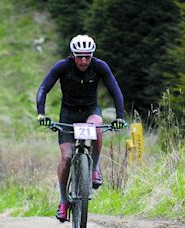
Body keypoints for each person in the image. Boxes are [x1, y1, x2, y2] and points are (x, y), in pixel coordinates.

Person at [36, 34, 127, 222]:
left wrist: (120, 116)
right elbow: (43, 88)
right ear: (72, 55)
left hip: (90, 110)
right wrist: (41, 113)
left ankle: (93, 168)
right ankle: (63, 201)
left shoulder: (100, 66)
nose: (84, 61)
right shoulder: (62, 66)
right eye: (80, 56)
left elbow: (115, 90)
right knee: (67, 157)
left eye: (88, 56)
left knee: (97, 125)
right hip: (68, 113)